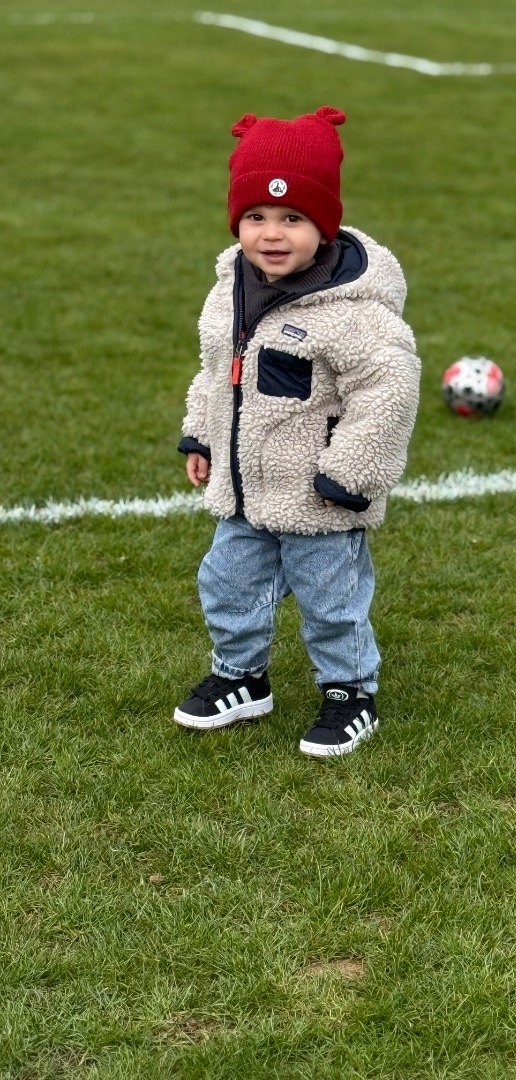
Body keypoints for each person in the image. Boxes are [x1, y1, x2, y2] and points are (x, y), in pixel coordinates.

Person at [174, 105, 420, 756]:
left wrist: (350, 473)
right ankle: (240, 676)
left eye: (292, 218)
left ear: (324, 224)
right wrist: (201, 434)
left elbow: (390, 390)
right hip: (245, 490)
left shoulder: (352, 312)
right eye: (256, 216)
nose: (271, 234)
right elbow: (216, 369)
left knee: (331, 600)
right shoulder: (232, 287)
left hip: (320, 497)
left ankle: (350, 692)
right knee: (227, 583)